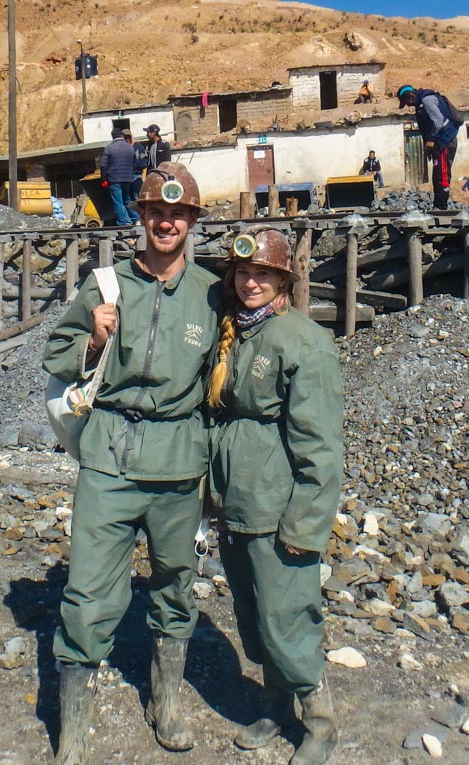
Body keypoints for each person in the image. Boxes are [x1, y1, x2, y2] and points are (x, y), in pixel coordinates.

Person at [41, 162, 223, 764]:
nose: (166, 223)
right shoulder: (105, 284)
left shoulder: (212, 293)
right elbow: (56, 356)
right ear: (140, 217)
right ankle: (74, 729)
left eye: (178, 214)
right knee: (89, 590)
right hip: (109, 459)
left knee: (176, 584)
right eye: (156, 212)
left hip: (180, 463)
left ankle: (165, 700)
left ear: (191, 221)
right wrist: (92, 340)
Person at [206, 227, 343, 765]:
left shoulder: (303, 342)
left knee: (287, 615)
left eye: (263, 274)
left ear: (284, 280)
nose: (250, 283)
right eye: (243, 272)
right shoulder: (235, 330)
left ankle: (320, 723)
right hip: (236, 499)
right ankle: (275, 704)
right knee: (252, 612)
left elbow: (320, 447)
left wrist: (305, 524)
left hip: (276, 503)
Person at [397, 84, 460, 209]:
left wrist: (430, 140)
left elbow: (438, 121)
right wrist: (429, 146)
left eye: (407, 102)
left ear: (411, 96)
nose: (408, 106)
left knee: (442, 174)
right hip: (439, 142)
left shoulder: (426, 100)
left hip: (445, 141)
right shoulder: (421, 103)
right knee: (437, 174)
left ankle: (441, 207)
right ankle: (438, 205)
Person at [99, 127, 139, 226]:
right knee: (127, 200)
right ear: (121, 135)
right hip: (128, 179)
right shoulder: (130, 147)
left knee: (118, 202)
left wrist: (104, 180)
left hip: (114, 179)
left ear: (112, 136)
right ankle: (136, 219)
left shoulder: (109, 148)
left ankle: (123, 222)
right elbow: (135, 164)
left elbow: (103, 165)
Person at [130, 129, 149, 198]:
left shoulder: (138, 146)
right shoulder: (123, 148)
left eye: (129, 137)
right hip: (126, 177)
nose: (127, 140)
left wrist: (135, 165)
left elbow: (144, 162)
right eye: (125, 138)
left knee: (137, 197)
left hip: (137, 175)